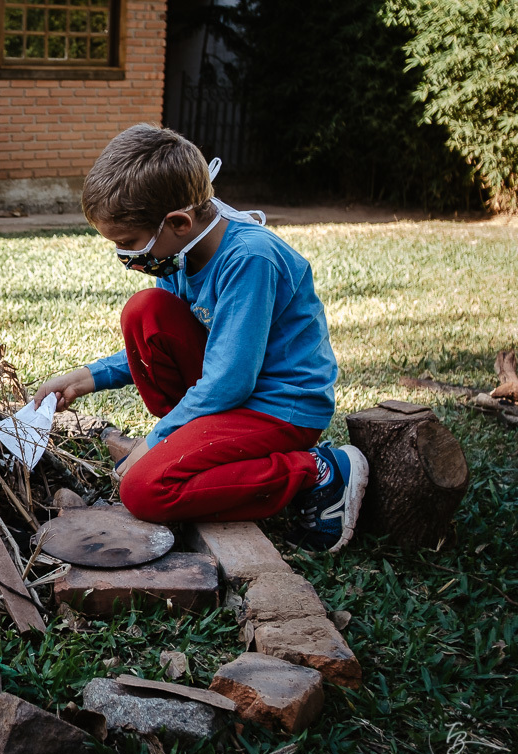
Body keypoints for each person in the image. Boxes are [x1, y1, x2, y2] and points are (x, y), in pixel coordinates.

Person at [34, 124, 368, 553]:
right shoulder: (185, 252)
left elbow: (230, 381)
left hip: (280, 409)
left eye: (130, 244)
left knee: (144, 492)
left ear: (178, 221)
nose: (126, 258)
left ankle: (317, 471)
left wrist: (157, 441)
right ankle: (193, 447)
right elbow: (170, 340)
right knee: (145, 311)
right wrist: (86, 377)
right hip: (231, 399)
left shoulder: (249, 258)